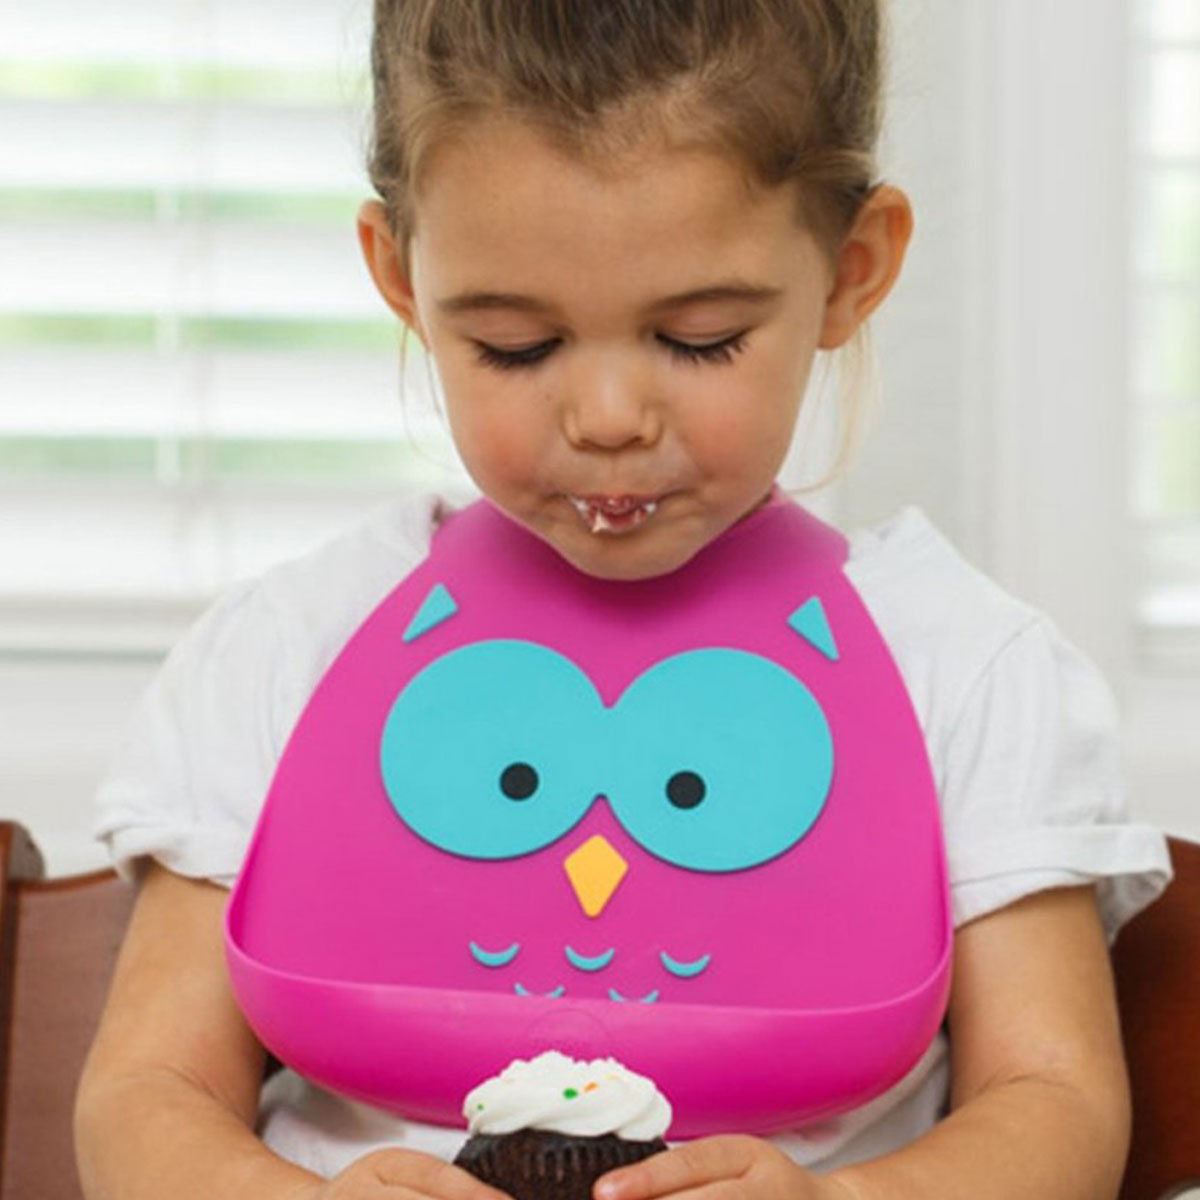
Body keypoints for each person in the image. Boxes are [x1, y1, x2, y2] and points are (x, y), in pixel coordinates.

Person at [75, 2, 1172, 1198]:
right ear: (400, 275)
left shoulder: (966, 671)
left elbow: (1055, 1104)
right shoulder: (283, 651)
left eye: (700, 338)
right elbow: (146, 1096)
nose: (607, 419)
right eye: (516, 345)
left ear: (851, 271)